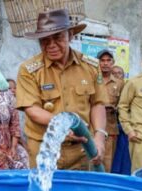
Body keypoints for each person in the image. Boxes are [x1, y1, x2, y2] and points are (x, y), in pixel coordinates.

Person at [16, 9, 108, 170]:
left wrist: (99, 136)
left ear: (70, 35)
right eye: (44, 40)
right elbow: (32, 109)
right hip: (45, 148)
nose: (51, 45)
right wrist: (62, 125)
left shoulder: (90, 66)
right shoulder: (28, 70)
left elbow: (97, 104)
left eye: (58, 37)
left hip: (82, 149)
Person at [97, 49, 124, 172]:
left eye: (108, 60)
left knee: (107, 162)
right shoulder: (92, 79)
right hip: (93, 128)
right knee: (90, 159)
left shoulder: (119, 83)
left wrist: (113, 108)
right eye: (102, 60)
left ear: (113, 62)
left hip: (110, 128)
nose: (105, 63)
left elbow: (124, 105)